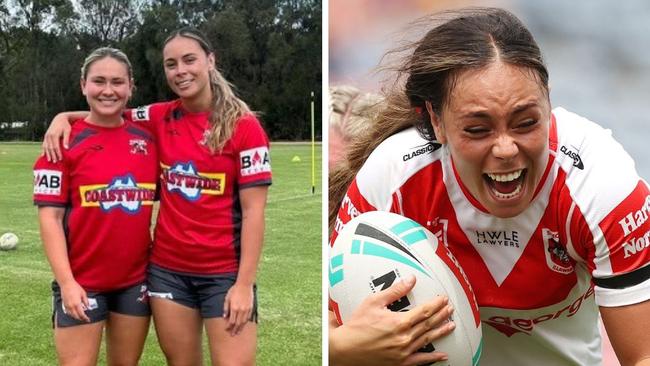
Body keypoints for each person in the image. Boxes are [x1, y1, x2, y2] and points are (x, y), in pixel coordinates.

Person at [329, 7, 650, 366]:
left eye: (526, 122)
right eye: (478, 130)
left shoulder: (601, 187)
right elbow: (324, 328)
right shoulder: (393, 178)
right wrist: (342, 347)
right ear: (436, 121)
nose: (506, 149)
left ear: (548, 100)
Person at [43, 28, 272, 366]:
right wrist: (62, 117)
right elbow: (108, 114)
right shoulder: (159, 116)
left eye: (189, 60)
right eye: (171, 64)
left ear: (210, 61)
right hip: (167, 272)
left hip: (224, 273)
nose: (181, 71)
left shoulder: (245, 127)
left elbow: (254, 213)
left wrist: (244, 285)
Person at [34, 47, 156, 366]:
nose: (108, 90)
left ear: (131, 86)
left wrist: (65, 113)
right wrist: (67, 283)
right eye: (98, 81)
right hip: (81, 282)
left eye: (117, 82)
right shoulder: (59, 144)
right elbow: (50, 219)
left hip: (135, 282)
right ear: (83, 85)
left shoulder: (148, 139)